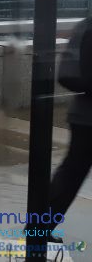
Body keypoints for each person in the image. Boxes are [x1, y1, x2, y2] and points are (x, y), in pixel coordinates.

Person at [47, 16, 92, 242]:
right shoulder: (88, 27)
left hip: (83, 117)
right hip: (87, 119)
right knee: (70, 176)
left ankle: (38, 229)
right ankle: (38, 230)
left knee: (69, 177)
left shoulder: (85, 26)